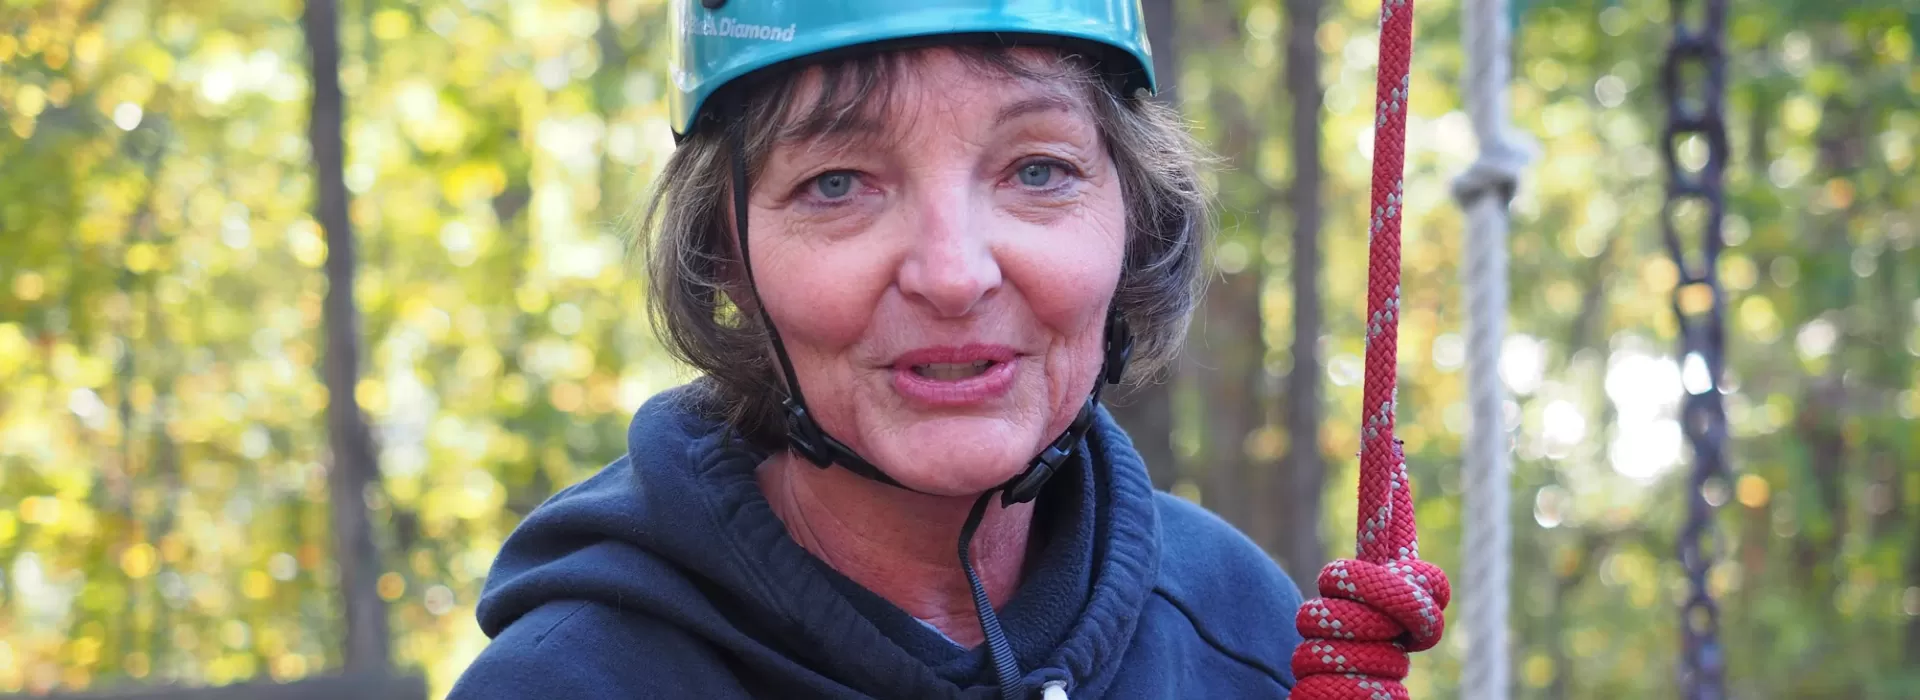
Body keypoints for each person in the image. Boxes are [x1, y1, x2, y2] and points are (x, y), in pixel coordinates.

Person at [448, 2, 1305, 697]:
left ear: (1136, 221)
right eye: (837, 185)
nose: (954, 276)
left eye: (1038, 171)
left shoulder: (1247, 636)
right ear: (725, 258)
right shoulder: (567, 681)